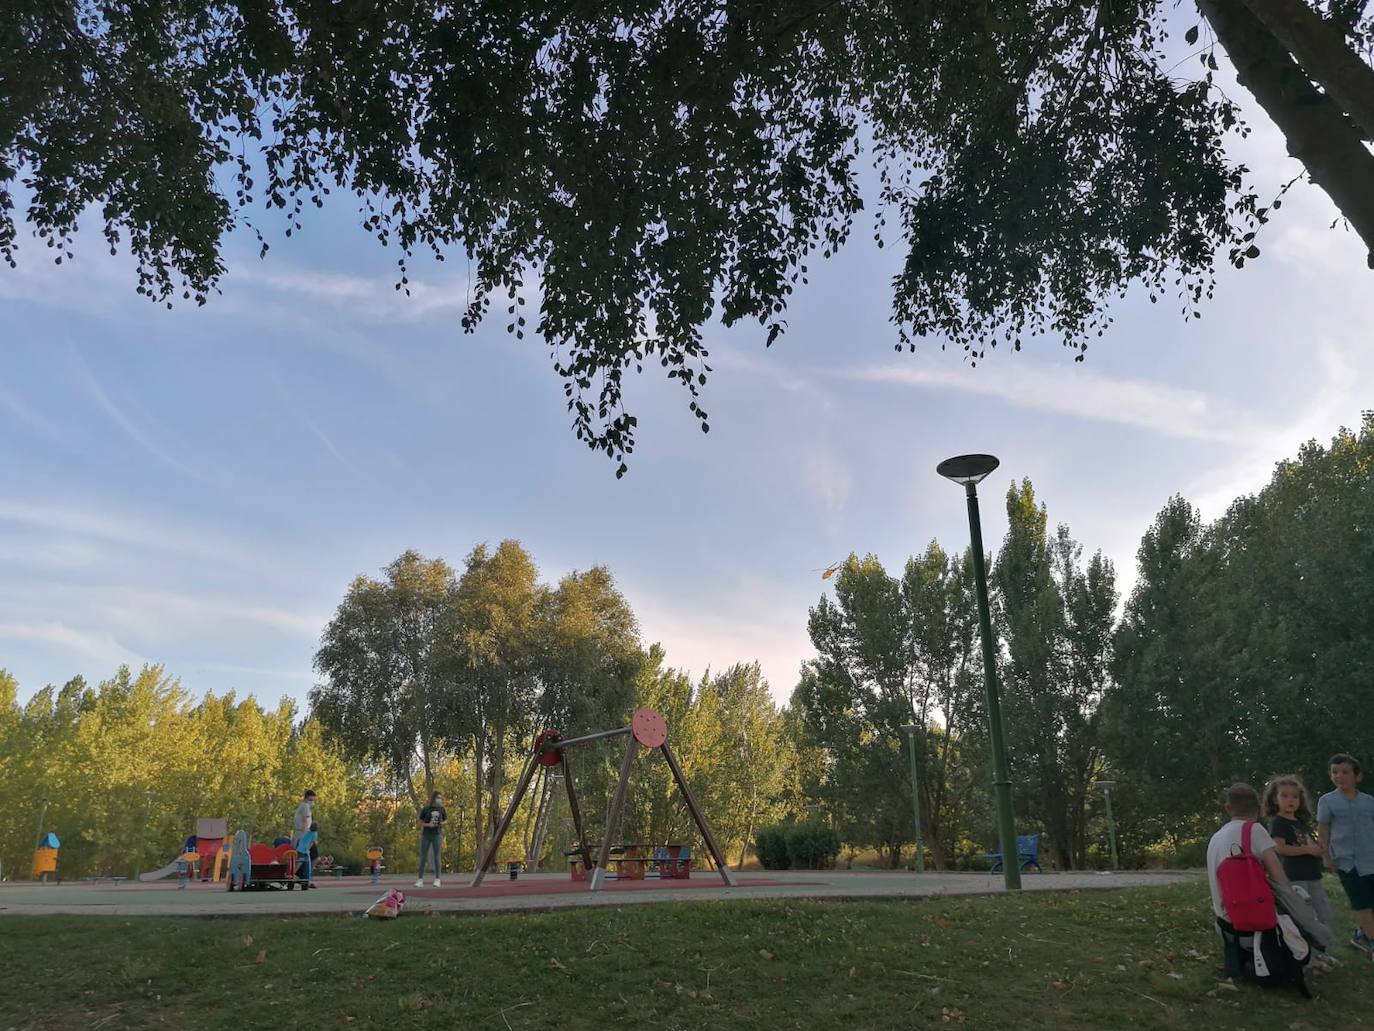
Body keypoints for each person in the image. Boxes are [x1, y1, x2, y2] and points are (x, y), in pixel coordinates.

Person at [1263, 774, 1337, 967]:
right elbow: (1279, 848)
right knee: (1306, 917)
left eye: (1294, 796)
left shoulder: (1300, 822)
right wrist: (1306, 849)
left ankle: (1322, 952)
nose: (1290, 800)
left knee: (1325, 915)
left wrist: (1319, 849)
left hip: (1313, 876)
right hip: (1295, 878)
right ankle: (1308, 957)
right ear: (1274, 799)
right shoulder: (1278, 822)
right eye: (1285, 796)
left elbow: (1309, 846)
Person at [1316, 753, 1374, 955]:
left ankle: (1363, 935)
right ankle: (1371, 943)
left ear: (1357, 777)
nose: (1339, 776)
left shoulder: (1368, 802)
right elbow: (1323, 830)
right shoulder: (1327, 801)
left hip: (1371, 860)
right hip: (1346, 861)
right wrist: (1325, 856)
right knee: (1362, 902)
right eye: (1335, 772)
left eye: (1345, 772)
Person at [416, 790, 446, 888]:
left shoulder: (441, 809)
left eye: (440, 798)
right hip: (426, 835)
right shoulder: (426, 809)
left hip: (437, 834)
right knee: (423, 857)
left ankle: (437, 879)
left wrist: (442, 823)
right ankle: (420, 879)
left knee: (437, 857)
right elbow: (420, 822)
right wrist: (428, 824)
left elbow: (446, 820)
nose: (439, 800)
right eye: (438, 798)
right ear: (433, 798)